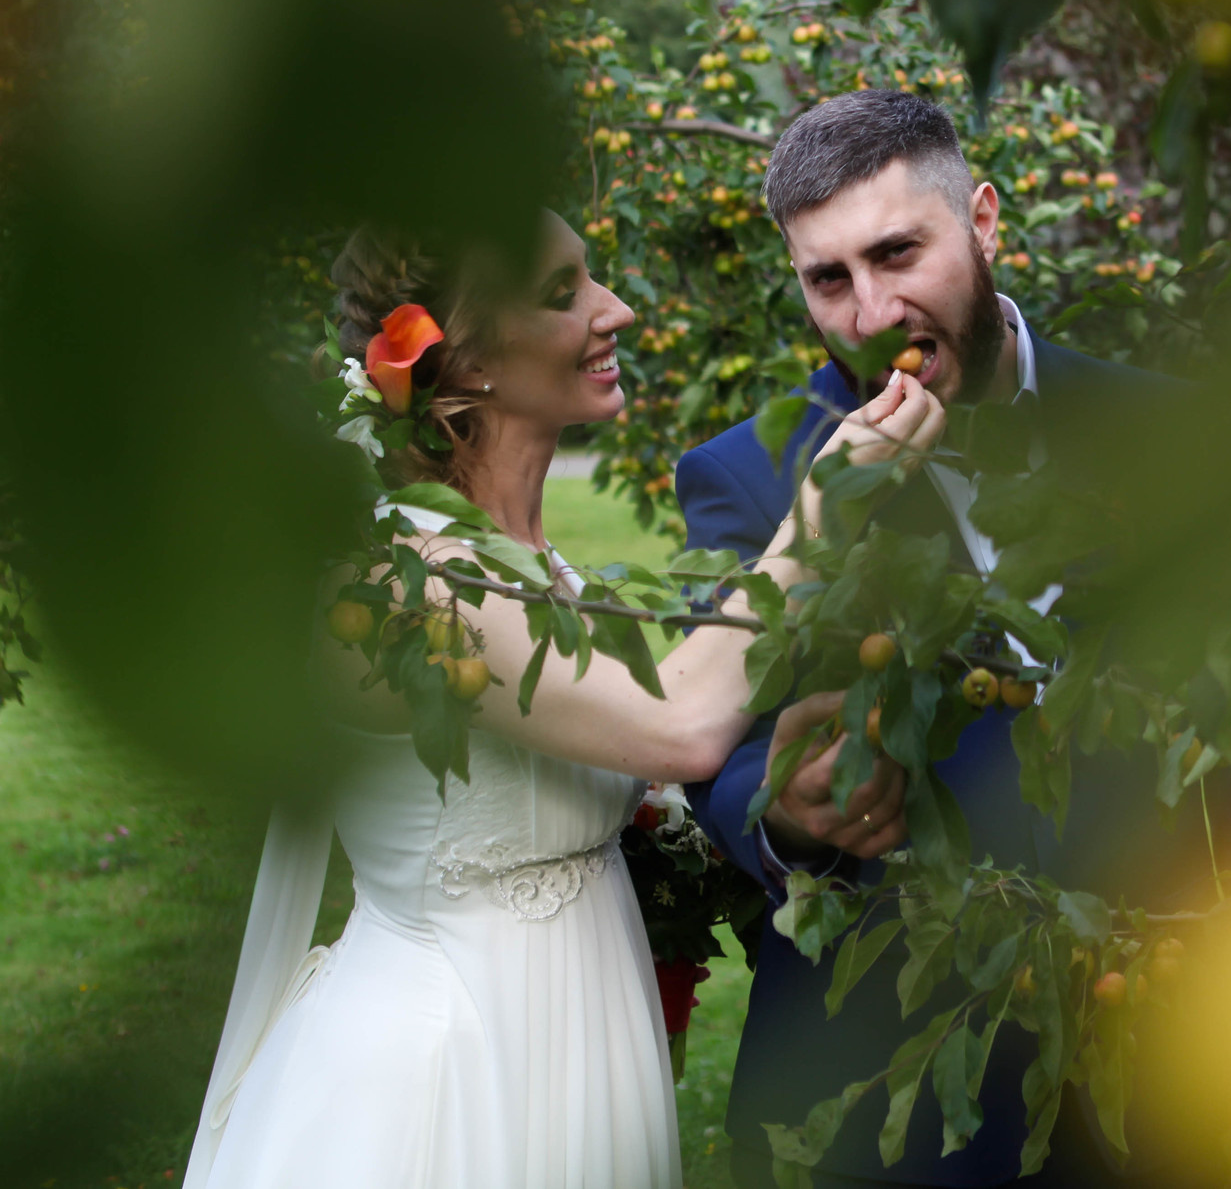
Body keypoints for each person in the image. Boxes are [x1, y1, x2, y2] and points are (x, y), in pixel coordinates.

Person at [678, 89, 1231, 1189]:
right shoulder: (745, 476)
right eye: (826, 279)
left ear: (982, 222)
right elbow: (713, 742)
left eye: (898, 253)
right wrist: (780, 810)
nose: (869, 311)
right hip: (887, 1075)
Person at [187, 217, 892, 1189]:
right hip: (450, 1080)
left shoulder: (525, 563)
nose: (618, 310)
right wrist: (821, 512)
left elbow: (624, 763)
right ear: (463, 359)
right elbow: (679, 727)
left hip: (579, 1043)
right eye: (565, 293)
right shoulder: (412, 582)